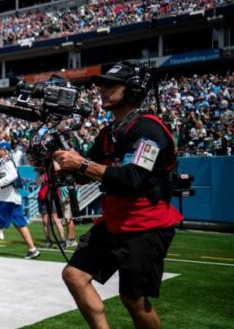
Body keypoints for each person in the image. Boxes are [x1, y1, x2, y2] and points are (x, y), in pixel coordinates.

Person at [56, 61, 183, 329]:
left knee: (133, 299)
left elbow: (133, 178)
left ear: (132, 89)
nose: (102, 89)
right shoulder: (109, 131)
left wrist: (80, 164)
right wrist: (56, 161)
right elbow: (84, 172)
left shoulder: (148, 129)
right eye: (102, 84)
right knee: (74, 275)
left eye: (110, 85)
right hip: (115, 222)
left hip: (146, 226)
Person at [0, 141, 40, 259]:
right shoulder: (3, 161)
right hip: (12, 198)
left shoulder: (6, 160)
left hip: (5, 199)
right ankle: (32, 249)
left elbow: (13, 175)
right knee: (21, 224)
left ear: (4, 150)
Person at [36, 170, 65, 248]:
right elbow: (38, 183)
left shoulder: (54, 170)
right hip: (42, 196)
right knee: (45, 221)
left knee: (56, 219)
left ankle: (62, 240)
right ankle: (48, 240)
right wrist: (39, 174)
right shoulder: (41, 171)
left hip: (53, 196)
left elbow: (58, 182)